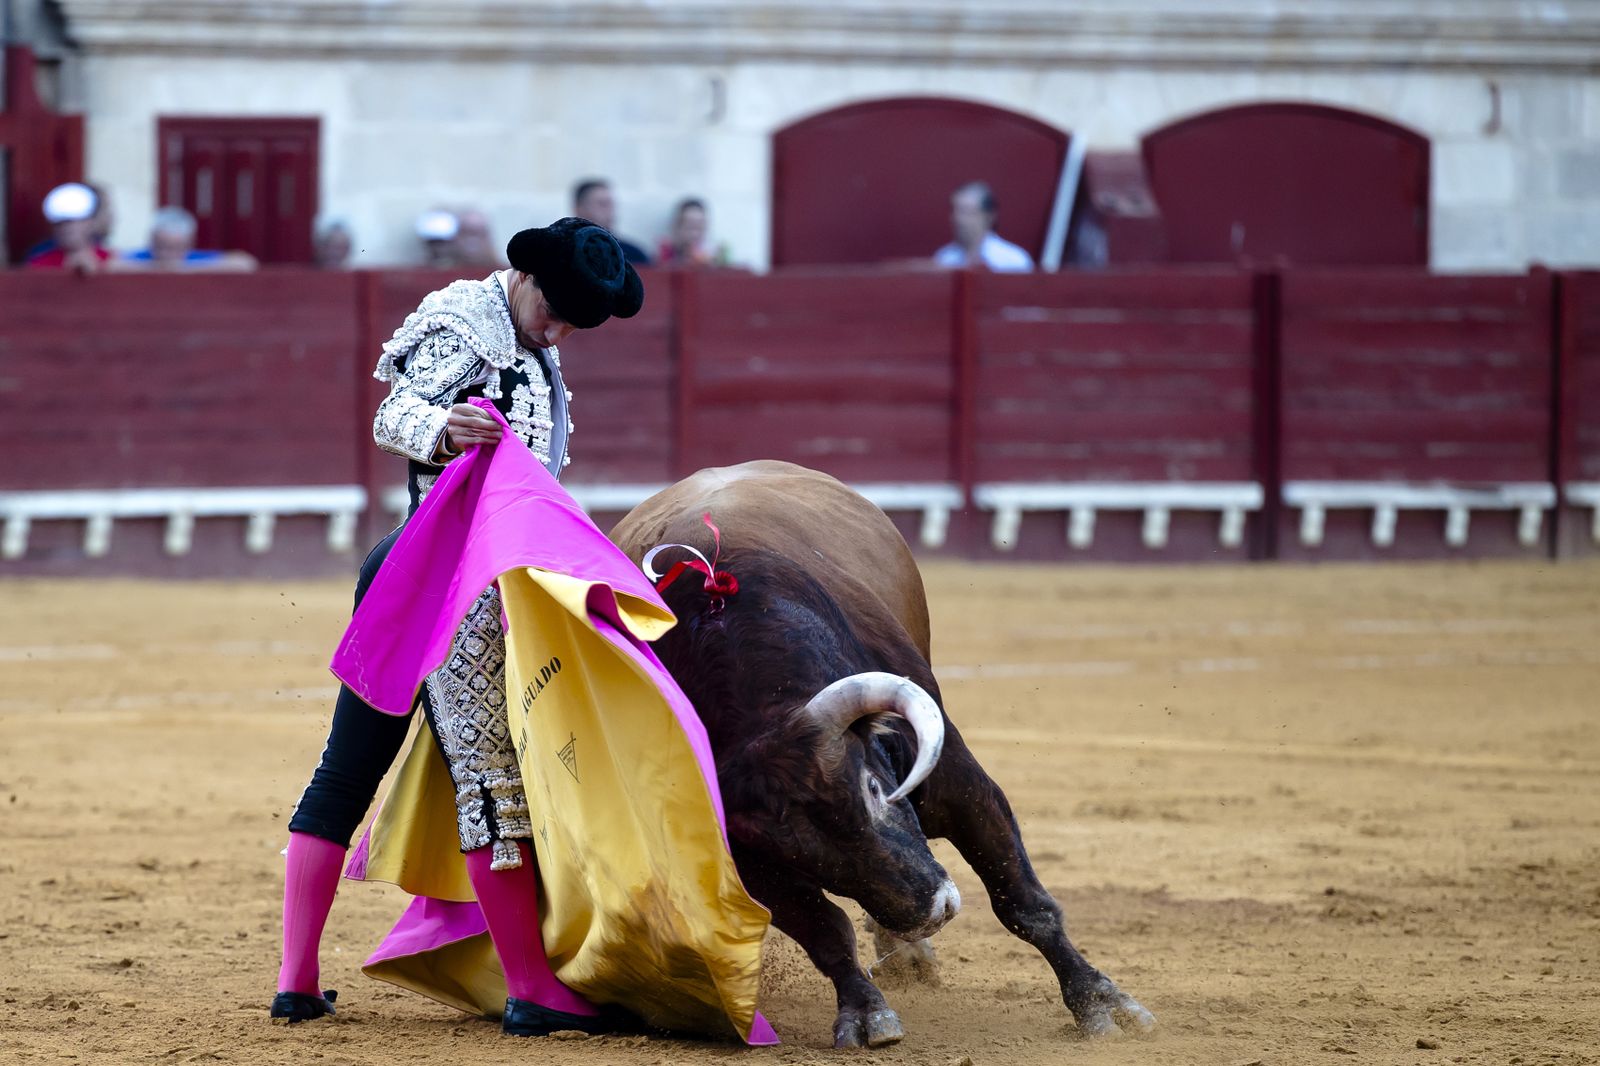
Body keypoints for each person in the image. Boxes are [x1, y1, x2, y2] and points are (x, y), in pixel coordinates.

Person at [273, 218, 645, 1037]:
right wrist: (441, 430)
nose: (561, 330)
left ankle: (297, 983)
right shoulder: (466, 325)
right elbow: (395, 413)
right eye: (555, 310)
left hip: (420, 573)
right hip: (451, 584)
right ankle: (530, 989)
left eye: (579, 321)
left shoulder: (533, 342)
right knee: (487, 774)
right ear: (526, 279)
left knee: (352, 768)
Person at [933, 181, 1035, 273]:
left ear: (988, 216)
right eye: (955, 211)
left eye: (966, 211)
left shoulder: (1013, 261)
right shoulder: (944, 259)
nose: (958, 219)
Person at [121, 206, 257, 270]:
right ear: (152, 241)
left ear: (189, 244)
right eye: (163, 246)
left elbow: (245, 263)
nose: (169, 254)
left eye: (177, 248)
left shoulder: (195, 258)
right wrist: (156, 268)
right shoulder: (142, 256)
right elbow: (105, 262)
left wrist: (184, 268)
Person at [24, 183, 112, 272]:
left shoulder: (112, 263)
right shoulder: (38, 265)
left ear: (90, 222)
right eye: (60, 223)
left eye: (73, 221)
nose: (66, 228)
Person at [572, 178, 650, 265]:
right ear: (579, 209)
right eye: (602, 204)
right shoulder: (564, 251)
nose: (609, 210)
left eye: (611, 204)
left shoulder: (633, 254)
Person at [656, 197, 727, 267]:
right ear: (677, 227)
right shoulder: (665, 254)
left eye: (700, 227)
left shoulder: (715, 257)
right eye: (690, 227)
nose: (695, 234)